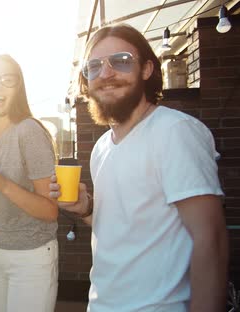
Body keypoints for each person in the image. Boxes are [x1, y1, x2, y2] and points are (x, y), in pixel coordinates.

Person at [50, 24, 229, 311]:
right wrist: (86, 209)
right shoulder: (102, 147)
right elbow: (120, 229)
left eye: (120, 61)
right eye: (94, 66)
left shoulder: (174, 132)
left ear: (147, 69)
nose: (105, 73)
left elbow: (211, 240)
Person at [0, 54, 59, 312]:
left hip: (31, 255)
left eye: (6, 80)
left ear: (18, 88)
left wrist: (3, 184)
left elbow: (50, 211)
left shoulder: (28, 131)